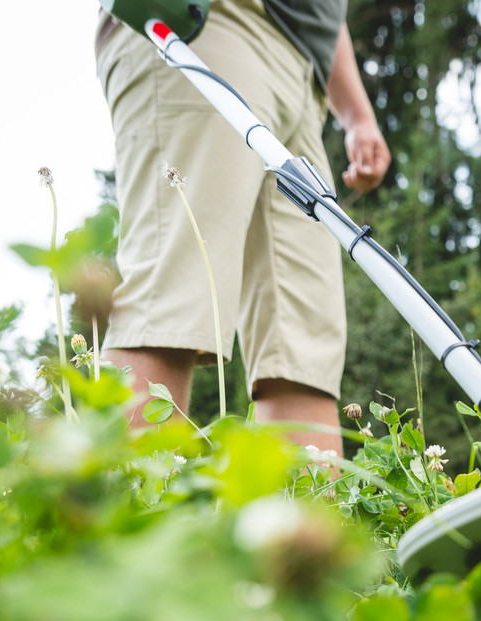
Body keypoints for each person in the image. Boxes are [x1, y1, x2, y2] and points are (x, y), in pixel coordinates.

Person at [94, 0, 390, 455]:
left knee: (300, 352)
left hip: (302, 77)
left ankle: (304, 522)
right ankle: (127, 515)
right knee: (172, 296)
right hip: (212, 21)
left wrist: (357, 115)